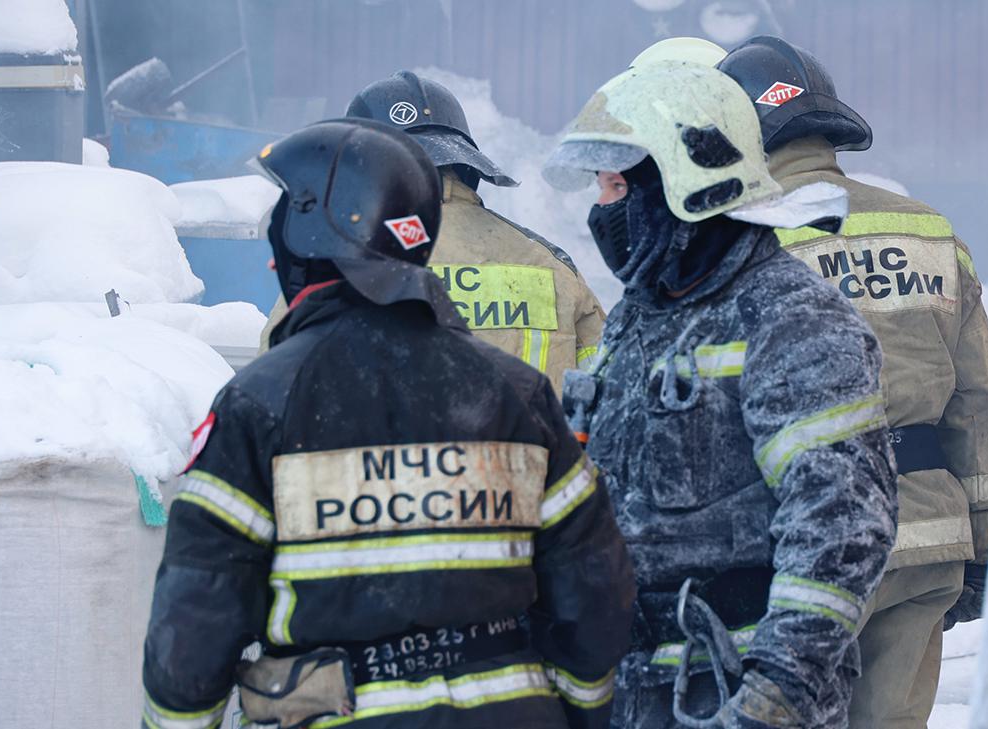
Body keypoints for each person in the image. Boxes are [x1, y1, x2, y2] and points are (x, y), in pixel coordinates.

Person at [140, 118, 635, 729]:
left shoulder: (260, 403)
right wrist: (577, 713)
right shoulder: (520, 396)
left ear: (305, 233)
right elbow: (593, 593)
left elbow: (195, 621)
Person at [543, 57, 898, 728]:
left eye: (616, 186)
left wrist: (775, 695)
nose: (602, 209)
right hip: (634, 693)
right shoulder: (639, 315)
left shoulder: (791, 316)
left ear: (685, 183)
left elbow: (841, 527)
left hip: (732, 692)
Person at [719, 36, 988, 729]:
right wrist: (986, 547)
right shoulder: (927, 231)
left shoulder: (728, 243)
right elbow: (980, 405)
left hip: (797, 547)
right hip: (924, 535)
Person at [259, 71, 606, 395]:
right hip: (530, 459)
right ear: (466, 165)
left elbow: (269, 395)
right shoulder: (551, 267)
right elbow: (605, 396)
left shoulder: (325, 269)